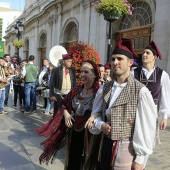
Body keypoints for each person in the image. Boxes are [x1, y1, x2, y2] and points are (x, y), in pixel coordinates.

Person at [86, 38, 157, 170]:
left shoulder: (141, 91)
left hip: (127, 150)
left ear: (130, 62)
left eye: (119, 59)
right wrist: (101, 125)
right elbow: (95, 114)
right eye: (113, 59)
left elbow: (146, 127)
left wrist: (140, 160)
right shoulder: (105, 88)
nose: (115, 62)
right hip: (105, 146)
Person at [35, 60, 100, 170]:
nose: (82, 74)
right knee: (73, 160)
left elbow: (103, 111)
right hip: (74, 131)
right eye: (81, 71)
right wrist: (66, 115)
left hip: (90, 135)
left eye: (86, 72)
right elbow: (63, 104)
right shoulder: (77, 89)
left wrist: (94, 116)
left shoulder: (99, 91)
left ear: (94, 74)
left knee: (86, 163)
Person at [133, 41, 170, 141]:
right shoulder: (134, 73)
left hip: (152, 112)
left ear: (154, 57)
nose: (144, 54)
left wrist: (164, 117)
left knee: (148, 140)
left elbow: (165, 97)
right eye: (143, 52)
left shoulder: (162, 75)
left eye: (147, 53)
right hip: (135, 111)